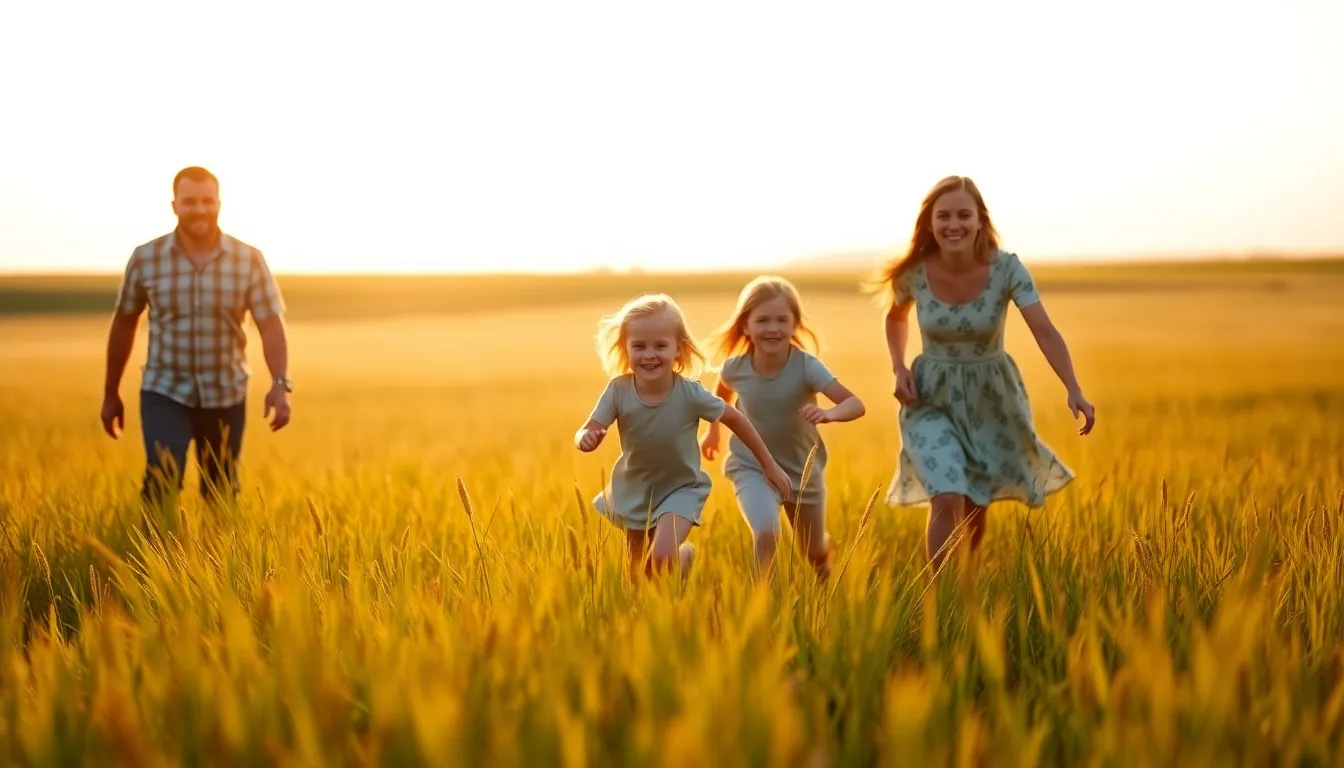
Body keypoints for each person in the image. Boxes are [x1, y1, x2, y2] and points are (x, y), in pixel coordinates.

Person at [868, 175, 1096, 571]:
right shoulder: (916, 273)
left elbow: (1044, 329)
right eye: (944, 216)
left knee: (975, 500)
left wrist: (1073, 387)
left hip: (991, 395)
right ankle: (936, 599)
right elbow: (895, 316)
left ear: (979, 221)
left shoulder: (1007, 270)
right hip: (929, 397)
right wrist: (898, 366)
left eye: (963, 215)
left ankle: (966, 581)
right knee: (947, 493)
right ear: (930, 223)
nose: (953, 224)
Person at [100, 166, 292, 509]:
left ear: (219, 203)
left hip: (226, 392)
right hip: (164, 390)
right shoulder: (146, 258)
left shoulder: (249, 259)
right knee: (162, 480)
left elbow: (271, 325)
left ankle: (218, 558)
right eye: (190, 202)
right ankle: (155, 557)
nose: (199, 209)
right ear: (174, 205)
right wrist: (110, 392)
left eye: (207, 201)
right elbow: (124, 322)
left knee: (220, 490)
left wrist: (280, 384)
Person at [574, 293, 792, 581]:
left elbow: (736, 418)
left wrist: (769, 465)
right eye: (639, 346)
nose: (649, 354)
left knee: (661, 558)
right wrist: (586, 438)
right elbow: (587, 428)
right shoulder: (618, 390)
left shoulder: (690, 393)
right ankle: (678, 567)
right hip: (634, 489)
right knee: (638, 576)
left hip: (681, 489)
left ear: (679, 349)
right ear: (625, 349)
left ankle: (680, 555)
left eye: (660, 346)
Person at [699, 276, 865, 577]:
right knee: (766, 532)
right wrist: (713, 431)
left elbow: (855, 403)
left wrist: (829, 413)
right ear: (746, 326)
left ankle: (825, 586)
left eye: (781, 319)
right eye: (762, 320)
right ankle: (765, 603)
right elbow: (720, 397)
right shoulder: (734, 368)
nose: (772, 328)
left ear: (794, 324)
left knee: (813, 553)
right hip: (752, 467)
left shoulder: (806, 366)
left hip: (803, 471)